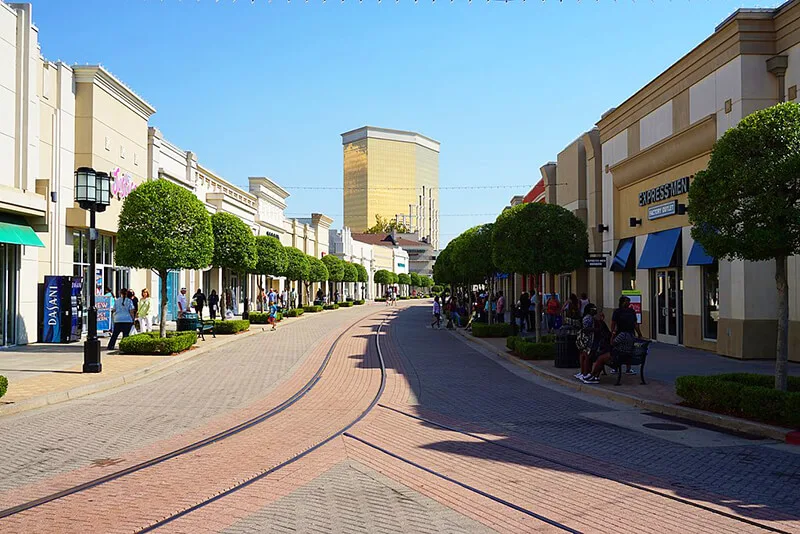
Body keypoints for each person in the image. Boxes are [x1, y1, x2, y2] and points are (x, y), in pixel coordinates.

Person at [610, 295, 642, 374]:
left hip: (630, 333)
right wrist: (613, 333)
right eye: (626, 301)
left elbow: (635, 323)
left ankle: (628, 368)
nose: (628, 303)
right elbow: (613, 323)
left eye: (629, 301)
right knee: (616, 350)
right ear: (622, 302)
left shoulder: (632, 311)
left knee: (629, 351)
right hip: (619, 333)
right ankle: (615, 367)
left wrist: (639, 333)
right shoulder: (617, 311)